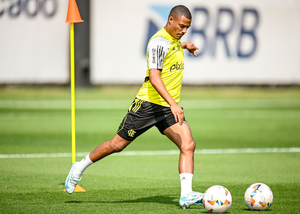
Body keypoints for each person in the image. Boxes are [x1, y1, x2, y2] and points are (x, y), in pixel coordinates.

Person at [65, 5, 203, 209]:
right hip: (147, 105)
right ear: (171, 20)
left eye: (187, 28)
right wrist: (174, 103)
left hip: (166, 109)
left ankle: (186, 195)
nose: (183, 31)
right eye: (181, 26)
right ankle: (78, 167)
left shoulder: (173, 40)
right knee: (116, 145)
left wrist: (185, 45)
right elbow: (155, 77)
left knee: (188, 145)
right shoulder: (158, 42)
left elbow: (173, 46)